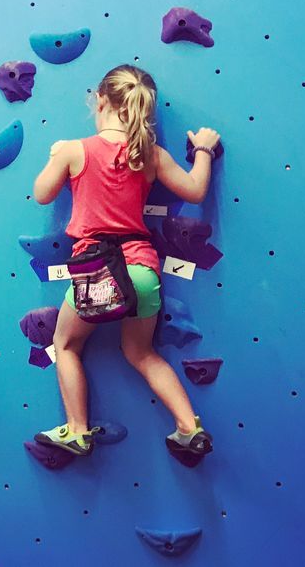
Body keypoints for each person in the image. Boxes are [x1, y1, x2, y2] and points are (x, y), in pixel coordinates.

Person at [31, 64, 220, 460]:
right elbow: (197, 191)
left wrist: (55, 157)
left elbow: (42, 194)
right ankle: (189, 427)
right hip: (142, 270)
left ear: (100, 101)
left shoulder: (74, 150)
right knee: (141, 354)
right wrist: (202, 149)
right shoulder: (150, 154)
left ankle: (78, 431)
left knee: (65, 344)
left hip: (96, 270)